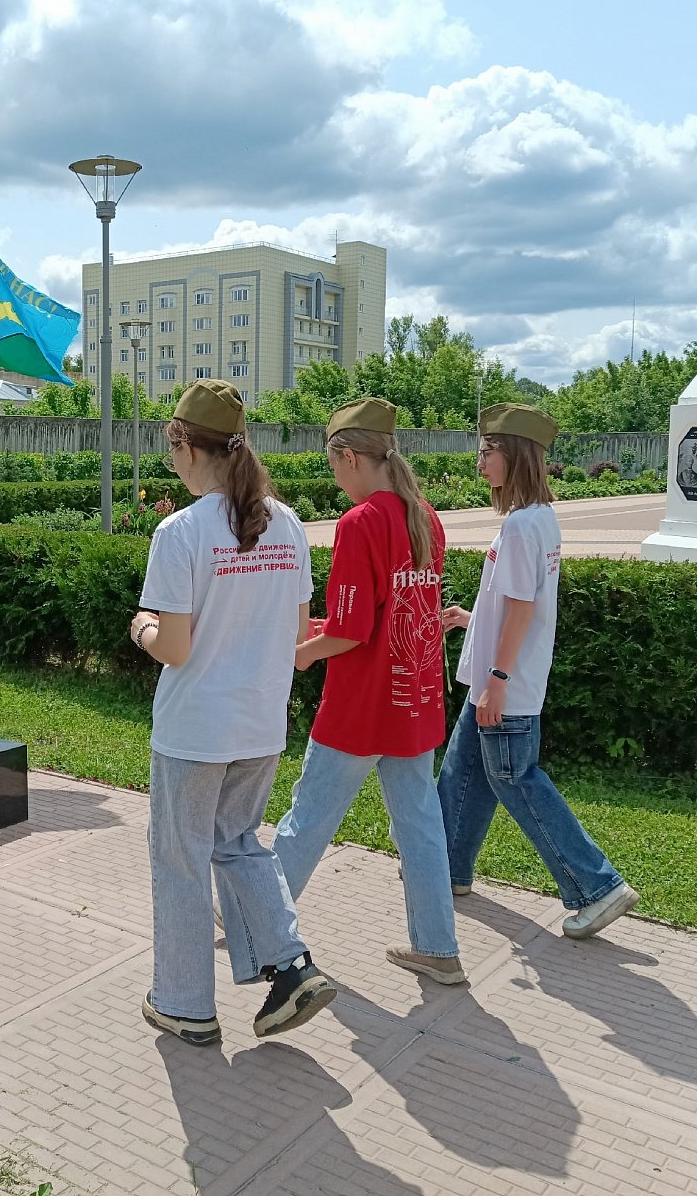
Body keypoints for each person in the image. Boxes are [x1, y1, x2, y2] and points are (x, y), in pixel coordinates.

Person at [130, 379, 337, 1047]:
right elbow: (299, 631)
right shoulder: (289, 524)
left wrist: (141, 627)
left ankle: (184, 1003)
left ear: (189, 447)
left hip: (195, 729)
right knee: (239, 844)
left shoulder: (181, 532)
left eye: (172, 449)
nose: (171, 462)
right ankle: (292, 964)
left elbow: (176, 648)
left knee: (182, 861)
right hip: (260, 724)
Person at [231, 397, 465, 984]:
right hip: (414, 702)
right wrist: (322, 633)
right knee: (420, 827)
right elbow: (393, 617)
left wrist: (302, 652)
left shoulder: (359, 523)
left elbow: (351, 632)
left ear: (349, 457)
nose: (335, 478)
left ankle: (256, 926)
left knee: (308, 818)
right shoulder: (425, 517)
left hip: (361, 707)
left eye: (333, 465)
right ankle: (439, 948)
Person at [439, 403, 638, 939]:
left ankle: (598, 887)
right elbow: (517, 603)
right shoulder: (539, 518)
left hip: (505, 686)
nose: (480, 462)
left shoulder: (523, 526)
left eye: (488, 452)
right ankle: (446, 870)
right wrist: (473, 619)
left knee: (516, 781)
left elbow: (524, 608)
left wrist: (497, 683)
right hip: (497, 680)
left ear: (516, 456)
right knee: (463, 774)